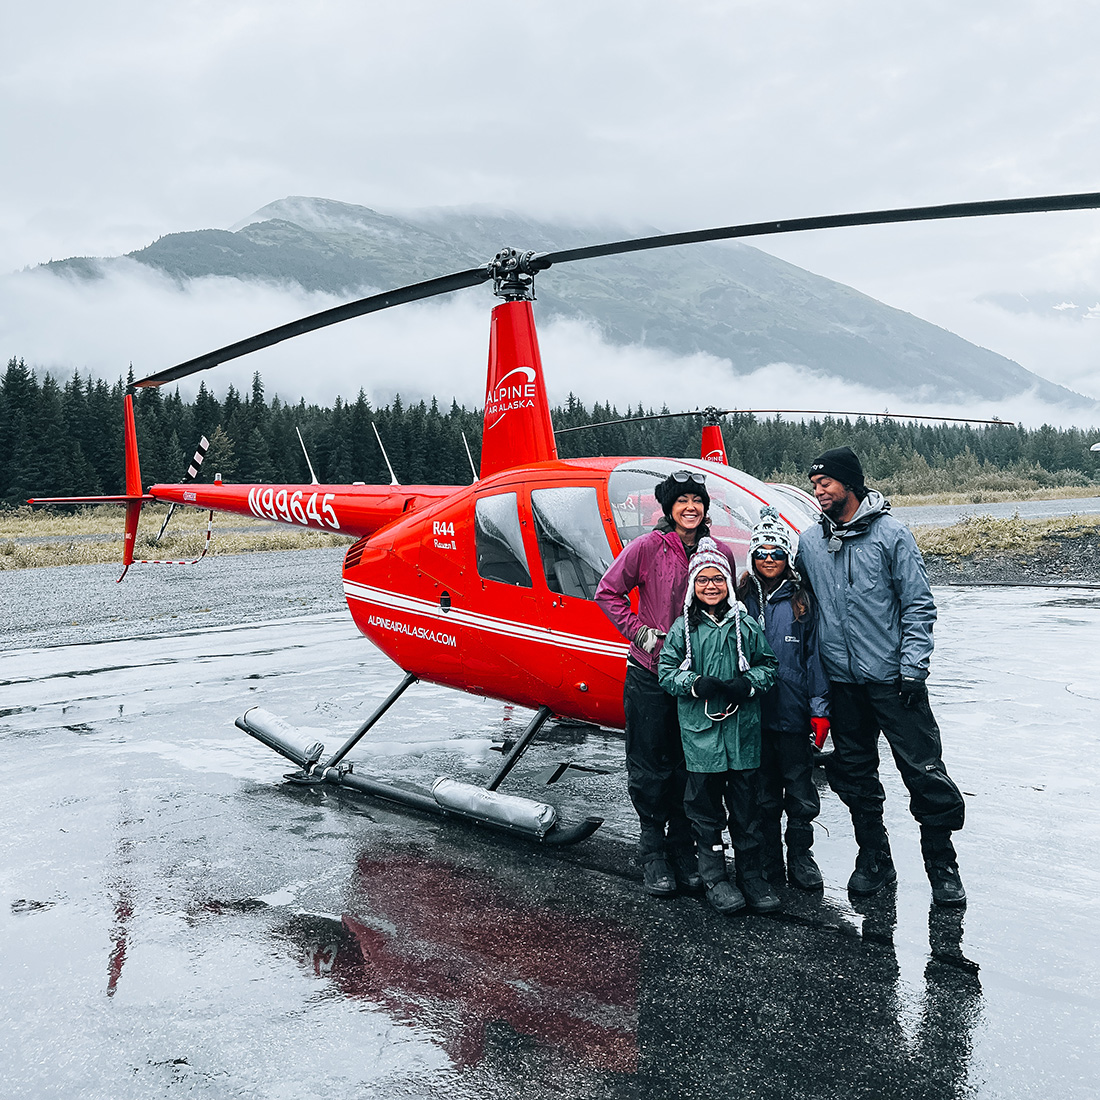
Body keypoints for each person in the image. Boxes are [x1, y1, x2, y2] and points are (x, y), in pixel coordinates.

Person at [795, 446, 967, 907]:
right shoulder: (810, 542)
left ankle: (942, 864)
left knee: (923, 770)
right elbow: (801, 605)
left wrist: (913, 667)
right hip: (843, 683)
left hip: (894, 679)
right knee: (854, 774)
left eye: (825, 482)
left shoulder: (891, 535)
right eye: (814, 484)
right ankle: (874, 858)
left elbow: (918, 604)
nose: (818, 491)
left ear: (849, 483)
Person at [595, 470, 738, 897]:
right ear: (668, 508)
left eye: (697, 500)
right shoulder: (647, 547)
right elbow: (608, 592)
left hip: (696, 678)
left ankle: (683, 846)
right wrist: (639, 631)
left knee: (690, 762)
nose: (690, 507)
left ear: (705, 507)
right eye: (682, 501)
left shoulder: (721, 553)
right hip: (651, 673)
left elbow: (728, 604)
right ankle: (653, 849)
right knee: (650, 762)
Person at [657, 538, 780, 914]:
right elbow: (665, 672)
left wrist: (749, 683)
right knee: (705, 810)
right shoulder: (683, 629)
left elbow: (769, 666)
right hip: (702, 737)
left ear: (728, 582)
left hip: (742, 734)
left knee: (747, 808)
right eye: (703, 580)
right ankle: (715, 877)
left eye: (718, 580)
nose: (711, 586)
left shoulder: (745, 624)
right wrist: (694, 684)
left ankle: (751, 875)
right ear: (693, 586)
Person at [737, 505, 829, 891]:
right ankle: (769, 855)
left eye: (776, 552)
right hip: (755, 714)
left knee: (801, 790)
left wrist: (820, 709)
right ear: (753, 556)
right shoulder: (740, 597)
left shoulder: (801, 600)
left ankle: (801, 854)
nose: (769, 558)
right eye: (762, 552)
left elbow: (815, 658)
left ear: (786, 557)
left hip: (793, 712)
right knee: (763, 792)